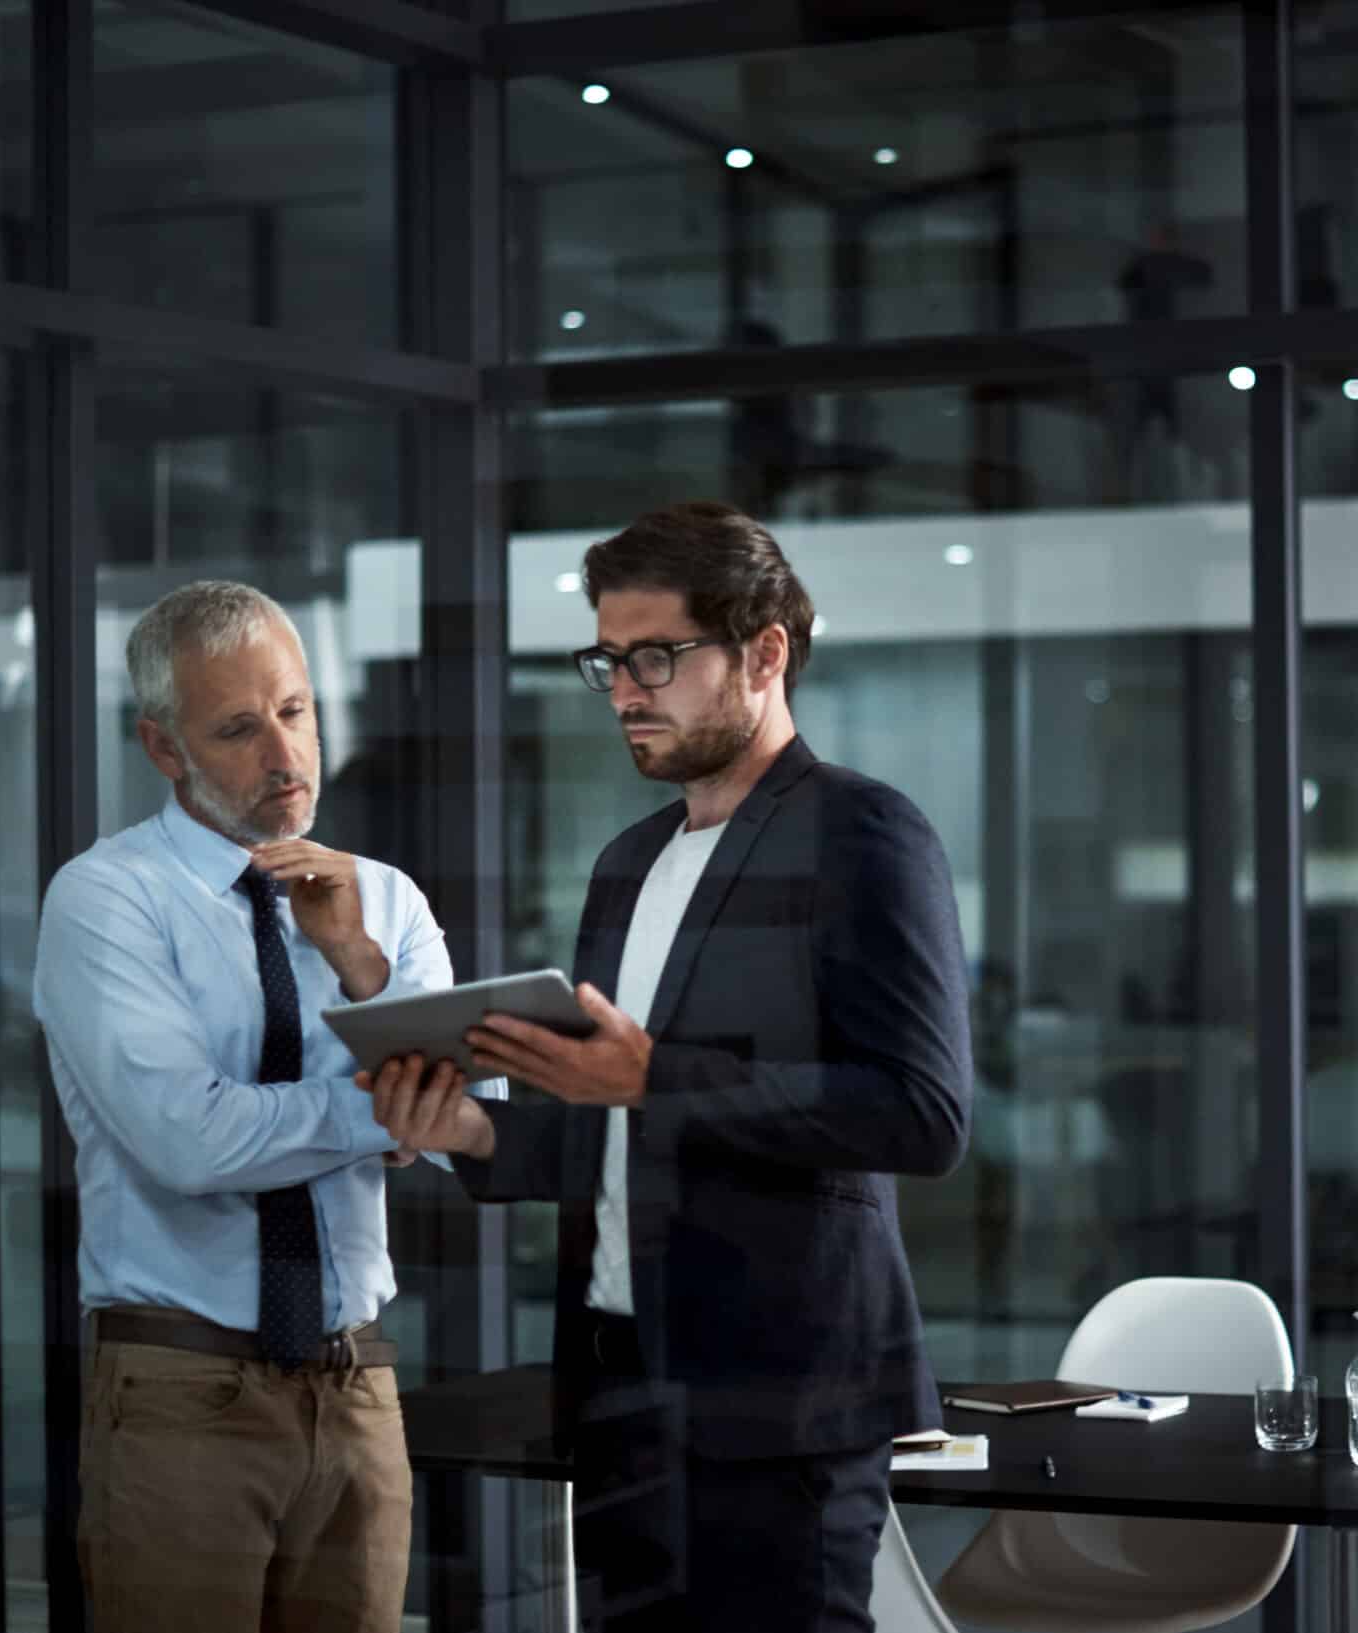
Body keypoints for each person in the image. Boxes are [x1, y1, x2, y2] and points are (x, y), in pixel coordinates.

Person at [362, 502, 972, 1633]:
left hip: (781, 1401)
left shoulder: (863, 833)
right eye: (608, 660)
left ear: (764, 651)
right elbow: (611, 1124)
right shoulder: (627, 863)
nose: (626, 690)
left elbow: (922, 1115)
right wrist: (472, 1132)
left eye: (657, 657)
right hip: (619, 1389)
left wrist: (657, 1079)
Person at [33, 580, 492, 1632]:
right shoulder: (107, 899)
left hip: (359, 1380)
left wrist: (358, 963)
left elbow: (475, 1120)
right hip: (184, 1386)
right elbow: (190, 1140)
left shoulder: (387, 898)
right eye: (238, 729)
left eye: (295, 711)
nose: (284, 756)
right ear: (163, 747)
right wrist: (388, 1108)